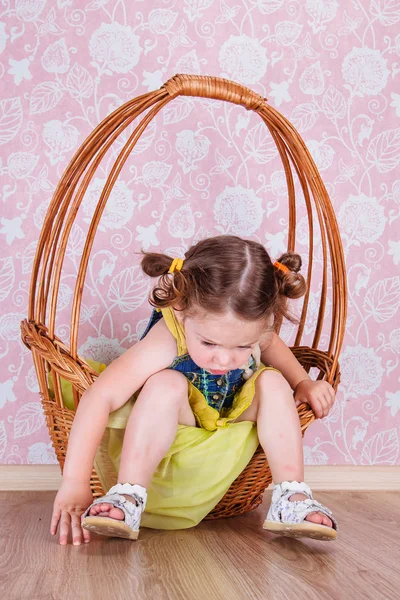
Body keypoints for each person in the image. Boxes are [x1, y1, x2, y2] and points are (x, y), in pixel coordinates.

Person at [50, 235, 338, 546]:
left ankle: (291, 497)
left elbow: (272, 345)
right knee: (165, 383)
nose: (224, 359)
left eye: (242, 346)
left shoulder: (258, 328)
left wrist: (302, 382)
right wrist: (75, 481)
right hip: (182, 421)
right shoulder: (169, 336)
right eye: (209, 343)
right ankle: (128, 494)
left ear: (265, 321)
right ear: (181, 308)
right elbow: (100, 396)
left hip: (232, 418)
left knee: (273, 381)